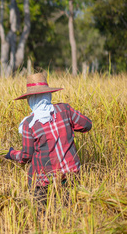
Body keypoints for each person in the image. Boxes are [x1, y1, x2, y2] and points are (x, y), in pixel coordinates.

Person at [5, 72, 92, 205]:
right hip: (71, 174)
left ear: (31, 99)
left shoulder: (30, 124)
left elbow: (26, 156)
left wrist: (11, 154)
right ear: (48, 94)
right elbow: (87, 125)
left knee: (42, 214)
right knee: (69, 210)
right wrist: (69, 126)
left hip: (44, 180)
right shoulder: (65, 110)